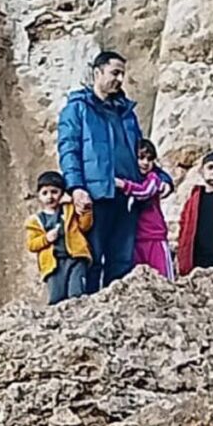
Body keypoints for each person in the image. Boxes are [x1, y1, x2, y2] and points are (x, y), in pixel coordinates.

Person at [58, 50, 146, 286]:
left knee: (122, 260)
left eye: (122, 75)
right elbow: (69, 150)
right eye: (114, 72)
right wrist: (76, 187)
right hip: (95, 194)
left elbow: (142, 151)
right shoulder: (77, 109)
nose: (119, 79)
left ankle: (118, 313)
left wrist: (160, 178)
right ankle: (91, 311)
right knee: (92, 258)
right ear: (97, 72)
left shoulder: (126, 112)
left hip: (127, 194)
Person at [26, 170, 96, 305]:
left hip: (75, 257)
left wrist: (85, 209)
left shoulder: (69, 210)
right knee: (57, 298)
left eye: (54, 192)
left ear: (62, 193)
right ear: (39, 196)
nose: (50, 197)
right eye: (45, 193)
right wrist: (46, 238)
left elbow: (85, 226)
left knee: (76, 294)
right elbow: (32, 244)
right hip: (53, 264)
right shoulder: (35, 221)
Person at [119, 141, 174, 276]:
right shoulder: (131, 176)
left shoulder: (154, 178)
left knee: (164, 278)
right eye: (141, 158)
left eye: (150, 159)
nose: (145, 163)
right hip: (135, 237)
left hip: (155, 236)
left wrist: (123, 185)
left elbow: (145, 192)